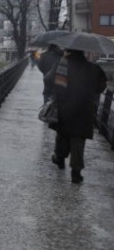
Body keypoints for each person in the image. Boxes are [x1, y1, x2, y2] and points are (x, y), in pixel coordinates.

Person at [47, 49, 107, 183]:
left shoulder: (62, 64)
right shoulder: (94, 68)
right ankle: (76, 172)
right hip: (84, 109)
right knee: (78, 140)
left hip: (64, 107)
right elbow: (101, 87)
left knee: (63, 135)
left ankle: (59, 158)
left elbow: (49, 79)